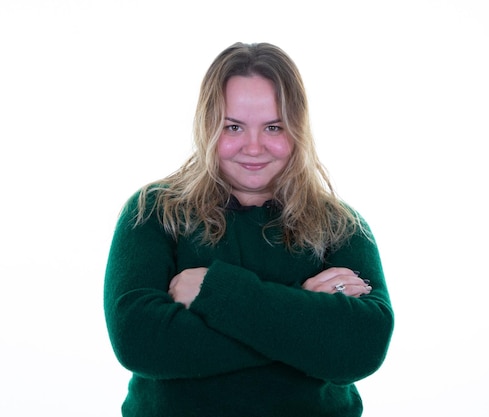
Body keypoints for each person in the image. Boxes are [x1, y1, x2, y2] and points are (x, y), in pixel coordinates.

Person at [104, 42, 394, 417]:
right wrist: (305, 312)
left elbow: (362, 348)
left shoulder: (341, 227)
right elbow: (139, 342)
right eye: (234, 127)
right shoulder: (152, 212)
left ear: (297, 128)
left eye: (273, 126)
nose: (253, 147)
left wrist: (216, 292)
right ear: (209, 125)